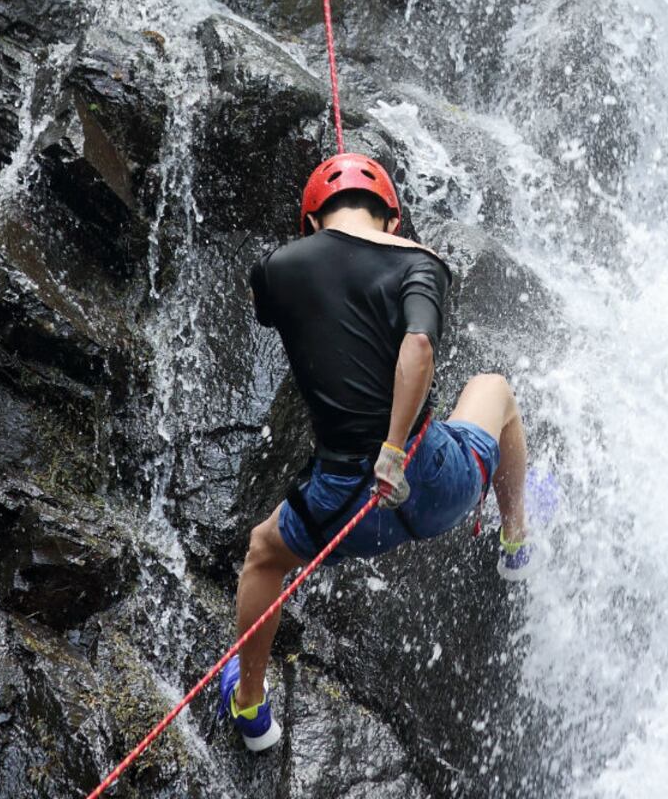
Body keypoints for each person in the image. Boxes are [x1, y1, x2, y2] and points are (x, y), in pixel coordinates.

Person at [218, 152, 536, 752]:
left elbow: (287, 308)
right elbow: (417, 342)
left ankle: (252, 710)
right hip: (438, 482)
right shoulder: (421, 262)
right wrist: (394, 450)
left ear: (311, 220)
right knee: (494, 392)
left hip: (342, 509)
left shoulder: (276, 268)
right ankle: (514, 540)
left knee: (264, 555)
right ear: (393, 219)